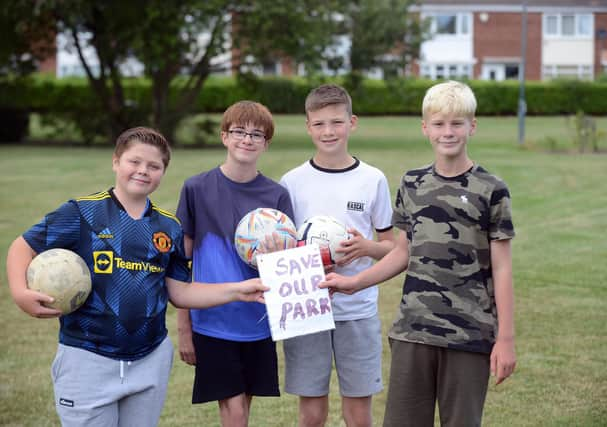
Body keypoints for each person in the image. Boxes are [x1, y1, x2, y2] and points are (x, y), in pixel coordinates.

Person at [6, 126, 268, 427]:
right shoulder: (82, 213)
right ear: (116, 161)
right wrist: (19, 292)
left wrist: (237, 290)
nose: (143, 171)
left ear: (163, 172)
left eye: (154, 166)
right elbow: (22, 246)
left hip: (149, 359)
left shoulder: (168, 228)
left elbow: (180, 292)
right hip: (86, 357)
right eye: (134, 161)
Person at [321, 80, 517, 427]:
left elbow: (501, 268)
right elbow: (403, 252)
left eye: (457, 123)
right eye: (439, 124)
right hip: (413, 331)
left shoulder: (492, 189)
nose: (448, 132)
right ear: (426, 128)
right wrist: (356, 282)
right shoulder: (412, 183)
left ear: (472, 126)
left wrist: (506, 338)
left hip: (469, 335)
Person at [279, 84, 395, 427]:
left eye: (336, 122)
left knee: (358, 414)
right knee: (311, 413)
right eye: (319, 124)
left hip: (357, 309)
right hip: (306, 308)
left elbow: (392, 248)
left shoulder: (372, 179)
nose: (328, 131)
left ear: (352, 122)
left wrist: (366, 248)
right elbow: (284, 247)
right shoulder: (291, 182)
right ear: (308, 126)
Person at [175, 100, 293, 426]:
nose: (247, 139)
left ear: (266, 144)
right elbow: (179, 264)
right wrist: (184, 328)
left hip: (257, 323)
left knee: (243, 407)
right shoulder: (196, 188)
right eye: (239, 131)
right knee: (234, 409)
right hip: (212, 321)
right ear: (224, 136)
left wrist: (275, 259)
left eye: (257, 134)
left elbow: (287, 265)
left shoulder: (276, 195)